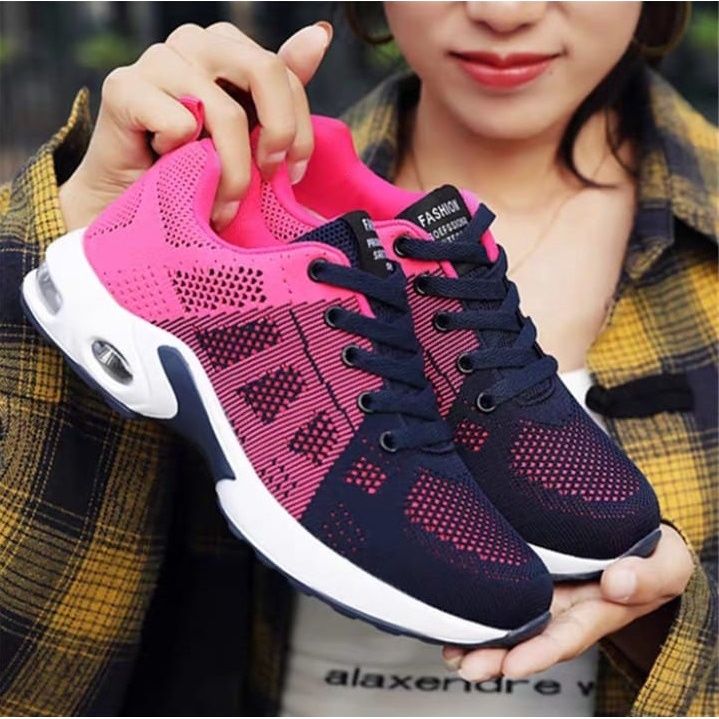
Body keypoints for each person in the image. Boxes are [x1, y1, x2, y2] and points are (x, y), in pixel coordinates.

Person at [0, 2, 715, 716]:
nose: (502, 11)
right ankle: (144, 258)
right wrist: (76, 215)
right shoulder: (243, 178)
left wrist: (669, 632)